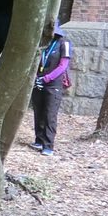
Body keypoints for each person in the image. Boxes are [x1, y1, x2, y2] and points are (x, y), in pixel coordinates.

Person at [31, 20, 72, 156]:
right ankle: (39, 140)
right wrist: (36, 77)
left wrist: (47, 78)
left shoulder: (64, 43)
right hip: (39, 82)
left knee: (50, 114)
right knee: (38, 112)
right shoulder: (43, 43)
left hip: (53, 85)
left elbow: (63, 66)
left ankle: (48, 145)